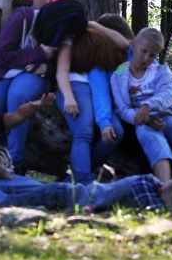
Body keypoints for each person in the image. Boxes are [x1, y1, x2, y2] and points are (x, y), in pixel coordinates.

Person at [0, 85, 157, 212]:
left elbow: (18, 116)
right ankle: (29, 208)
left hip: (8, 178)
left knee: (46, 189)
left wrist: (36, 106)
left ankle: (81, 195)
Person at [0, 1, 71, 174]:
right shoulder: (22, 18)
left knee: (18, 95)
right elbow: (1, 57)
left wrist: (46, 67)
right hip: (6, 72)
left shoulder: (62, 30)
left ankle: (14, 165)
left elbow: (63, 68)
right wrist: (38, 53)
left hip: (35, 76)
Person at [110, 28, 172, 183]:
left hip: (168, 115)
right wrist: (143, 118)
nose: (146, 58)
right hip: (143, 121)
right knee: (155, 143)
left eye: (152, 55)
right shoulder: (119, 77)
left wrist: (148, 105)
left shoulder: (161, 71)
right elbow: (122, 109)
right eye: (144, 51)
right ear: (134, 45)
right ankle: (165, 186)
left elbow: (167, 95)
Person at [55, 23, 130, 184]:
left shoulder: (101, 39)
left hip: (97, 89)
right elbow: (62, 70)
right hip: (76, 85)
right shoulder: (71, 39)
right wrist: (69, 96)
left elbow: (125, 44)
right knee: (84, 131)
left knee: (116, 131)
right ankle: (85, 181)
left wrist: (94, 24)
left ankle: (72, 180)